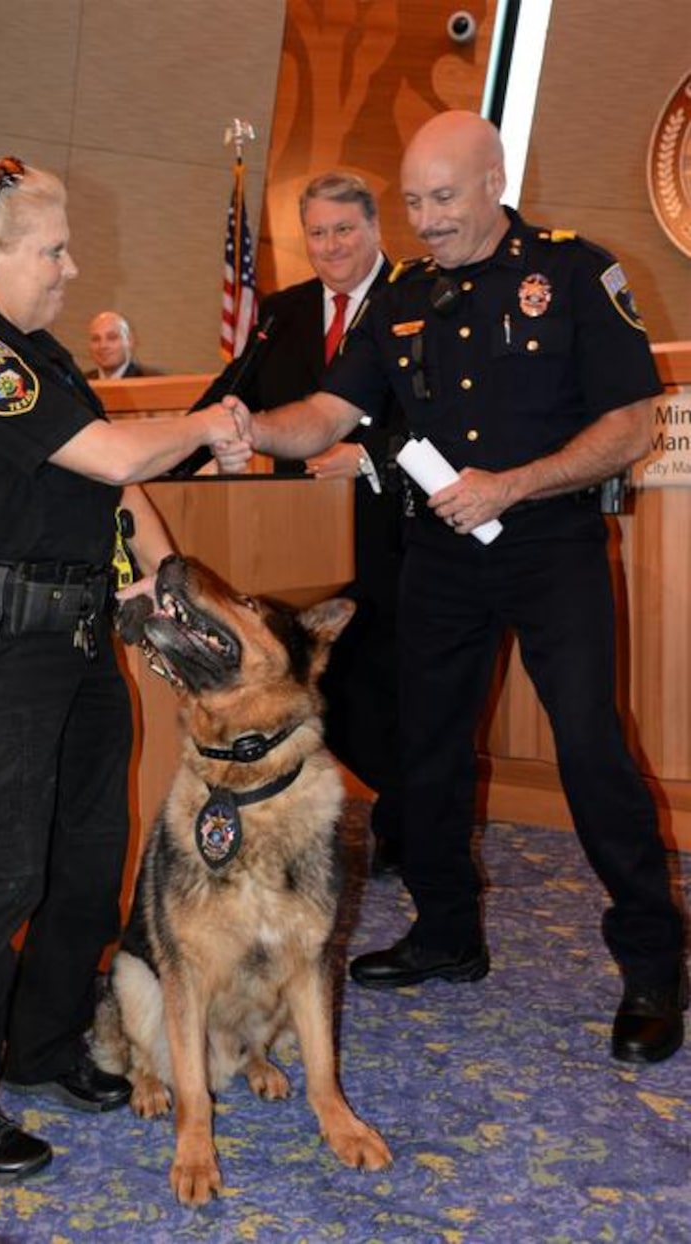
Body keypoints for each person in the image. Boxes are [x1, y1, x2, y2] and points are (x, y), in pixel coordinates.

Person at [216, 111, 687, 1065]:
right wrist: (252, 431)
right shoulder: (403, 300)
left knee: (592, 748)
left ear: (493, 181)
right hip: (440, 559)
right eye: (413, 203)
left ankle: (653, 962)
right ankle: (445, 933)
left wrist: (513, 484)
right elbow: (325, 413)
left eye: (442, 199)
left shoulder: (576, 272)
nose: (424, 222)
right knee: (425, 747)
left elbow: (632, 426)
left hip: (551, 548)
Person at [0, 155, 238, 1185]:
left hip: (80, 638)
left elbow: (118, 497)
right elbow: (115, 456)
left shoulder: (39, 357)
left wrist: (167, 597)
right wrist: (212, 422)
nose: (71, 267)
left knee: (85, 860)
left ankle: (40, 1046)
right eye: (51, 248)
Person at [184, 172, 407, 873]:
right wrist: (170, 451)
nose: (332, 244)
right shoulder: (282, 312)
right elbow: (230, 400)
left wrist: (370, 454)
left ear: (375, 228)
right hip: (295, 540)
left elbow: (451, 419)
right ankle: (316, 822)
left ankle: (407, 828)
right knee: (314, 687)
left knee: (391, 686)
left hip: (393, 529)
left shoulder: (417, 298)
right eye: (318, 232)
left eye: (345, 228)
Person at [85, 309, 160, 379]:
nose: (103, 345)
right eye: (96, 339)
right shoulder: (79, 384)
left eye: (112, 338)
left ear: (130, 341)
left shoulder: (155, 381)